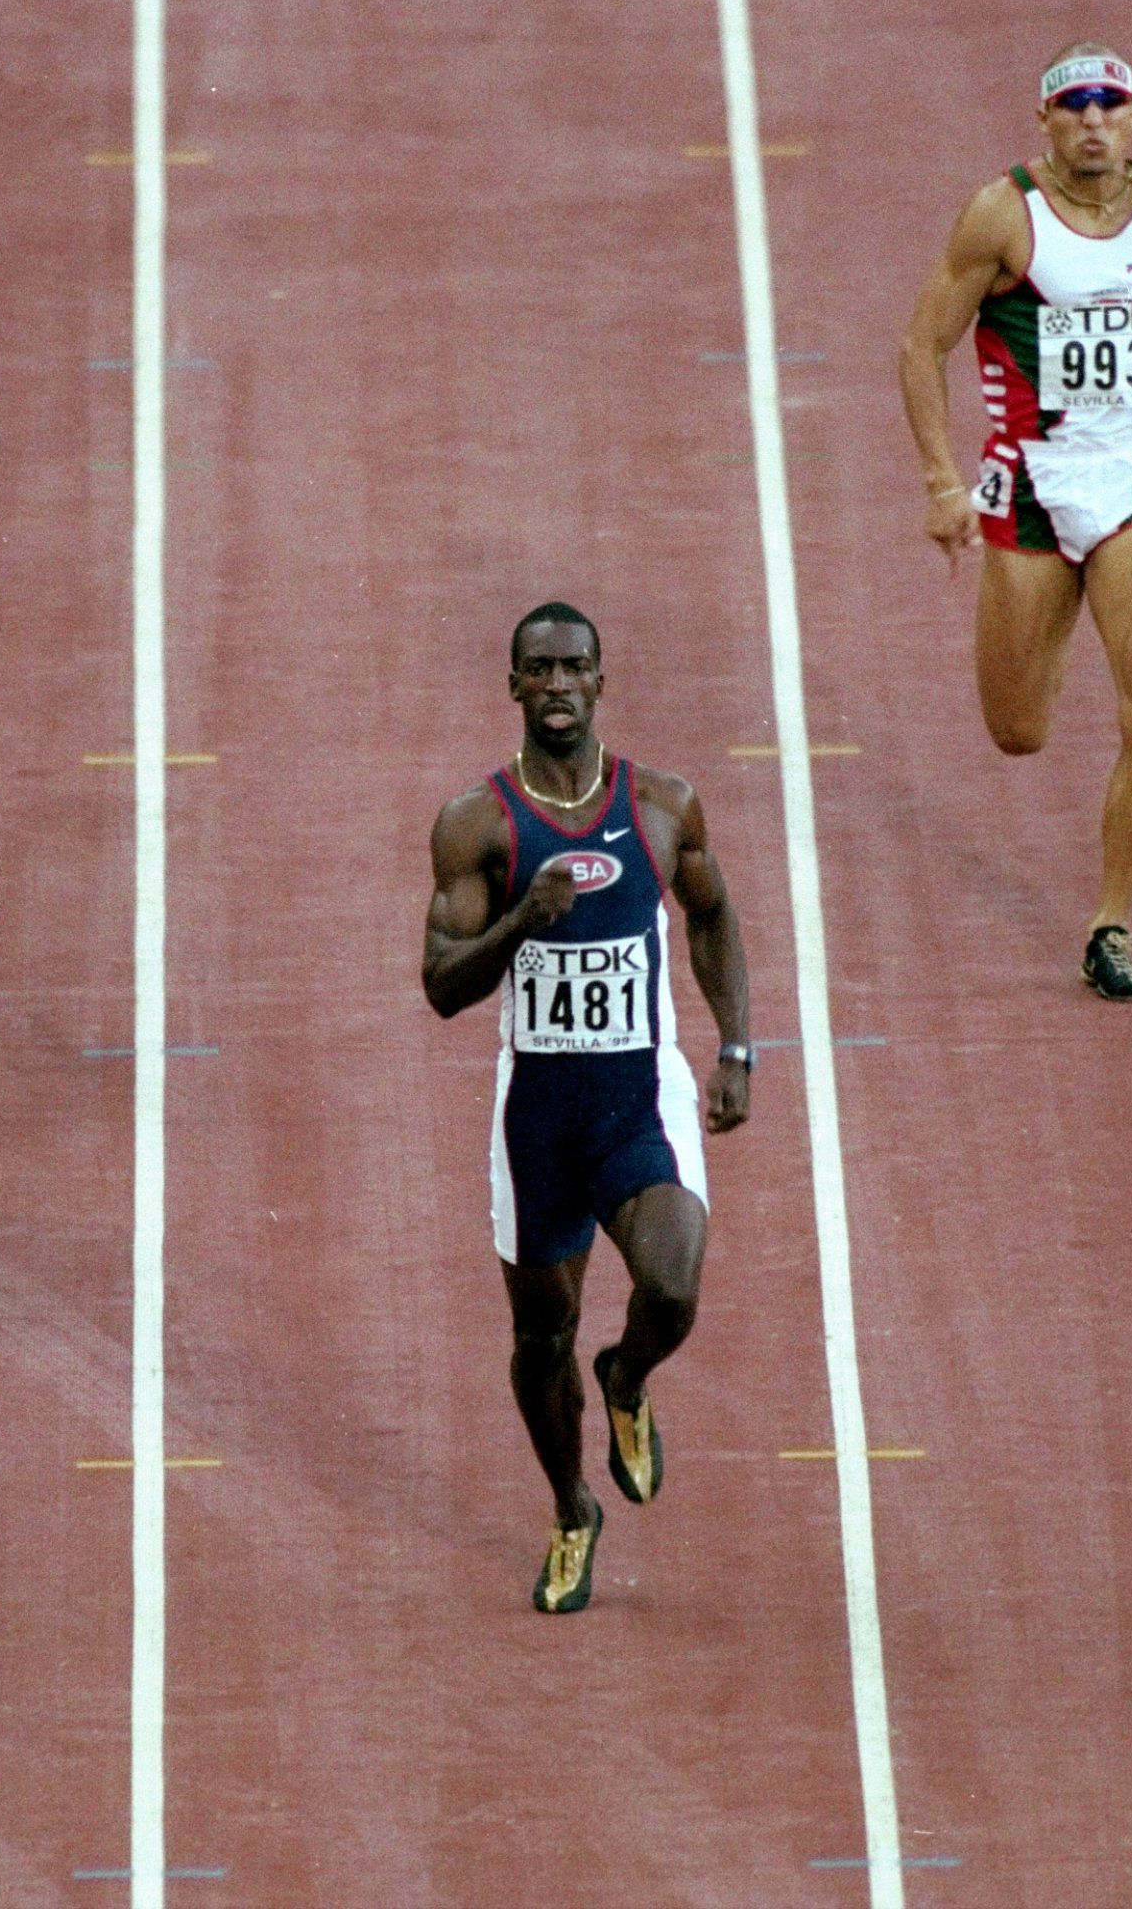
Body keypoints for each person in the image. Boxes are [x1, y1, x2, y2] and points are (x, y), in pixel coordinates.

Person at [422, 603, 752, 1614]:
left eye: (574, 668)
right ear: (512, 686)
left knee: (676, 1283)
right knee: (537, 1339)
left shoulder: (660, 806)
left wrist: (736, 1044)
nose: (557, 685)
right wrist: (525, 921)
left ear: (602, 681)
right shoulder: (477, 825)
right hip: (538, 1125)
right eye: (538, 670)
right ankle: (572, 1511)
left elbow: (713, 914)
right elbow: (439, 984)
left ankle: (628, 1376)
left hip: (635, 1105)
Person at [900, 45, 1132, 1000]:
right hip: (1032, 485)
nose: (1093, 121)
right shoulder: (1004, 214)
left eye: (1110, 105)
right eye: (1073, 106)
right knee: (1017, 732)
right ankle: (1046, 650)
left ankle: (1113, 925)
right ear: (1044, 120)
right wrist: (939, 482)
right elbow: (922, 344)